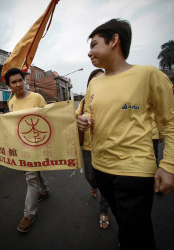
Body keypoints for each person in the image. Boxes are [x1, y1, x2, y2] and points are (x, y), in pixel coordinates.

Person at [77, 19, 174, 250]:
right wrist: (84, 122)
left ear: (114, 40)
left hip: (134, 172)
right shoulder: (94, 84)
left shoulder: (147, 75)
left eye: (94, 44)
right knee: (127, 226)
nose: (89, 52)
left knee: (137, 235)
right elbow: (89, 116)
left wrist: (170, 164)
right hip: (101, 169)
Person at [4, 68, 49, 233]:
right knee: (32, 173)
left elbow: (50, 117)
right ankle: (44, 190)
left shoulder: (37, 98)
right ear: (9, 85)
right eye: (13, 82)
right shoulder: (11, 103)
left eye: (20, 80)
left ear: (24, 80)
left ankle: (29, 214)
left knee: (31, 178)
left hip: (39, 143)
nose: (18, 84)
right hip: (24, 146)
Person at [76, 69, 110, 229]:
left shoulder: (112, 98)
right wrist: (80, 121)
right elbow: (75, 119)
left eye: (101, 77)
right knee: (89, 176)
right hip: (88, 146)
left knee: (106, 181)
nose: (98, 81)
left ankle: (103, 210)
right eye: (94, 79)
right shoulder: (83, 102)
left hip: (107, 147)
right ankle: (94, 185)